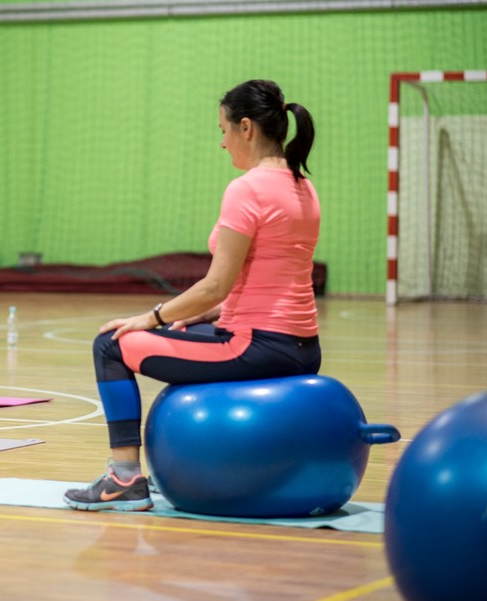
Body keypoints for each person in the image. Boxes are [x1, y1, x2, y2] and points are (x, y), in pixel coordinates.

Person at [64, 80, 321, 511]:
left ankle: (124, 477)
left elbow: (215, 283)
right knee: (189, 326)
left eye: (222, 130)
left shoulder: (248, 189)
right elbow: (265, 280)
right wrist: (210, 314)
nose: (222, 143)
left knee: (110, 346)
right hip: (302, 348)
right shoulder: (302, 185)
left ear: (246, 128)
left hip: (255, 347)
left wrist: (153, 317)